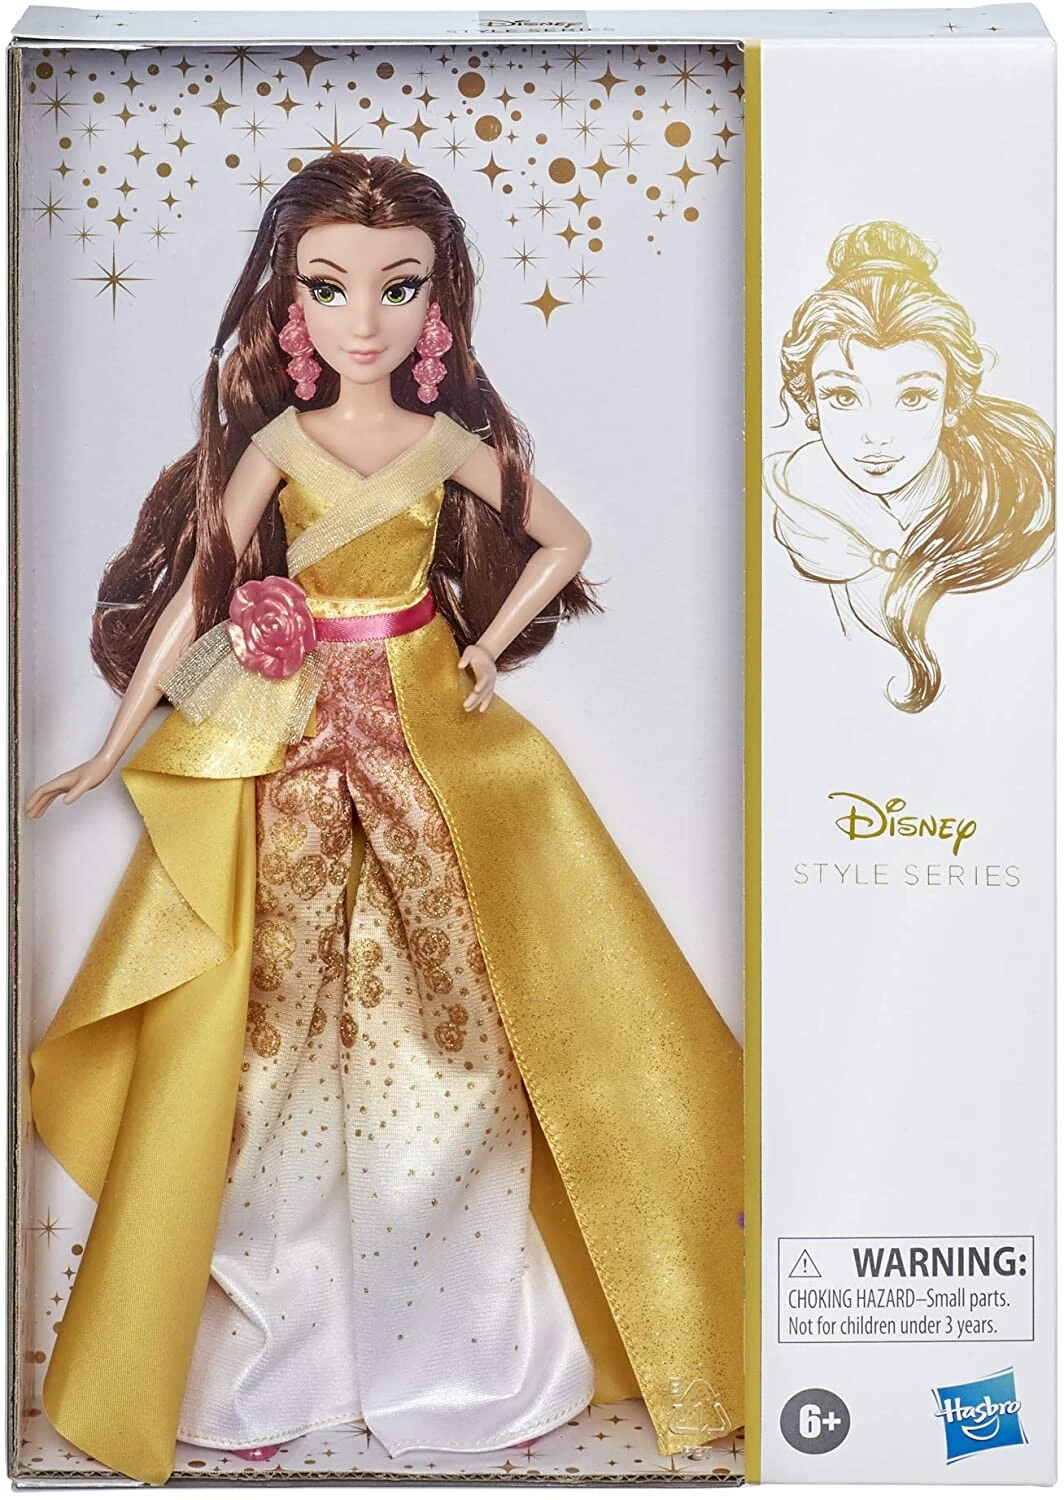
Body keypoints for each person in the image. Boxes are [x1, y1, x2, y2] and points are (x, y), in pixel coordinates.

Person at [25, 153, 743, 1486]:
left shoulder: (450, 445)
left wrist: (485, 649)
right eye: (331, 288)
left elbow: (565, 543)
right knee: (266, 1062)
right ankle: (266, 1366)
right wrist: (109, 748)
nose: (365, 319)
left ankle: (464, 1362)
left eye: (398, 288)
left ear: (438, 305)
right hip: (295, 750)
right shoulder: (279, 446)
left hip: (420, 752)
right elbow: (197, 592)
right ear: (290, 306)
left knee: (455, 1048)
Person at [765, 220, 1054, 712]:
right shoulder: (788, 514)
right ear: (809, 401)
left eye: (914, 396)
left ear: (952, 402)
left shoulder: (1020, 521)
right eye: (843, 396)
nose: (877, 435)